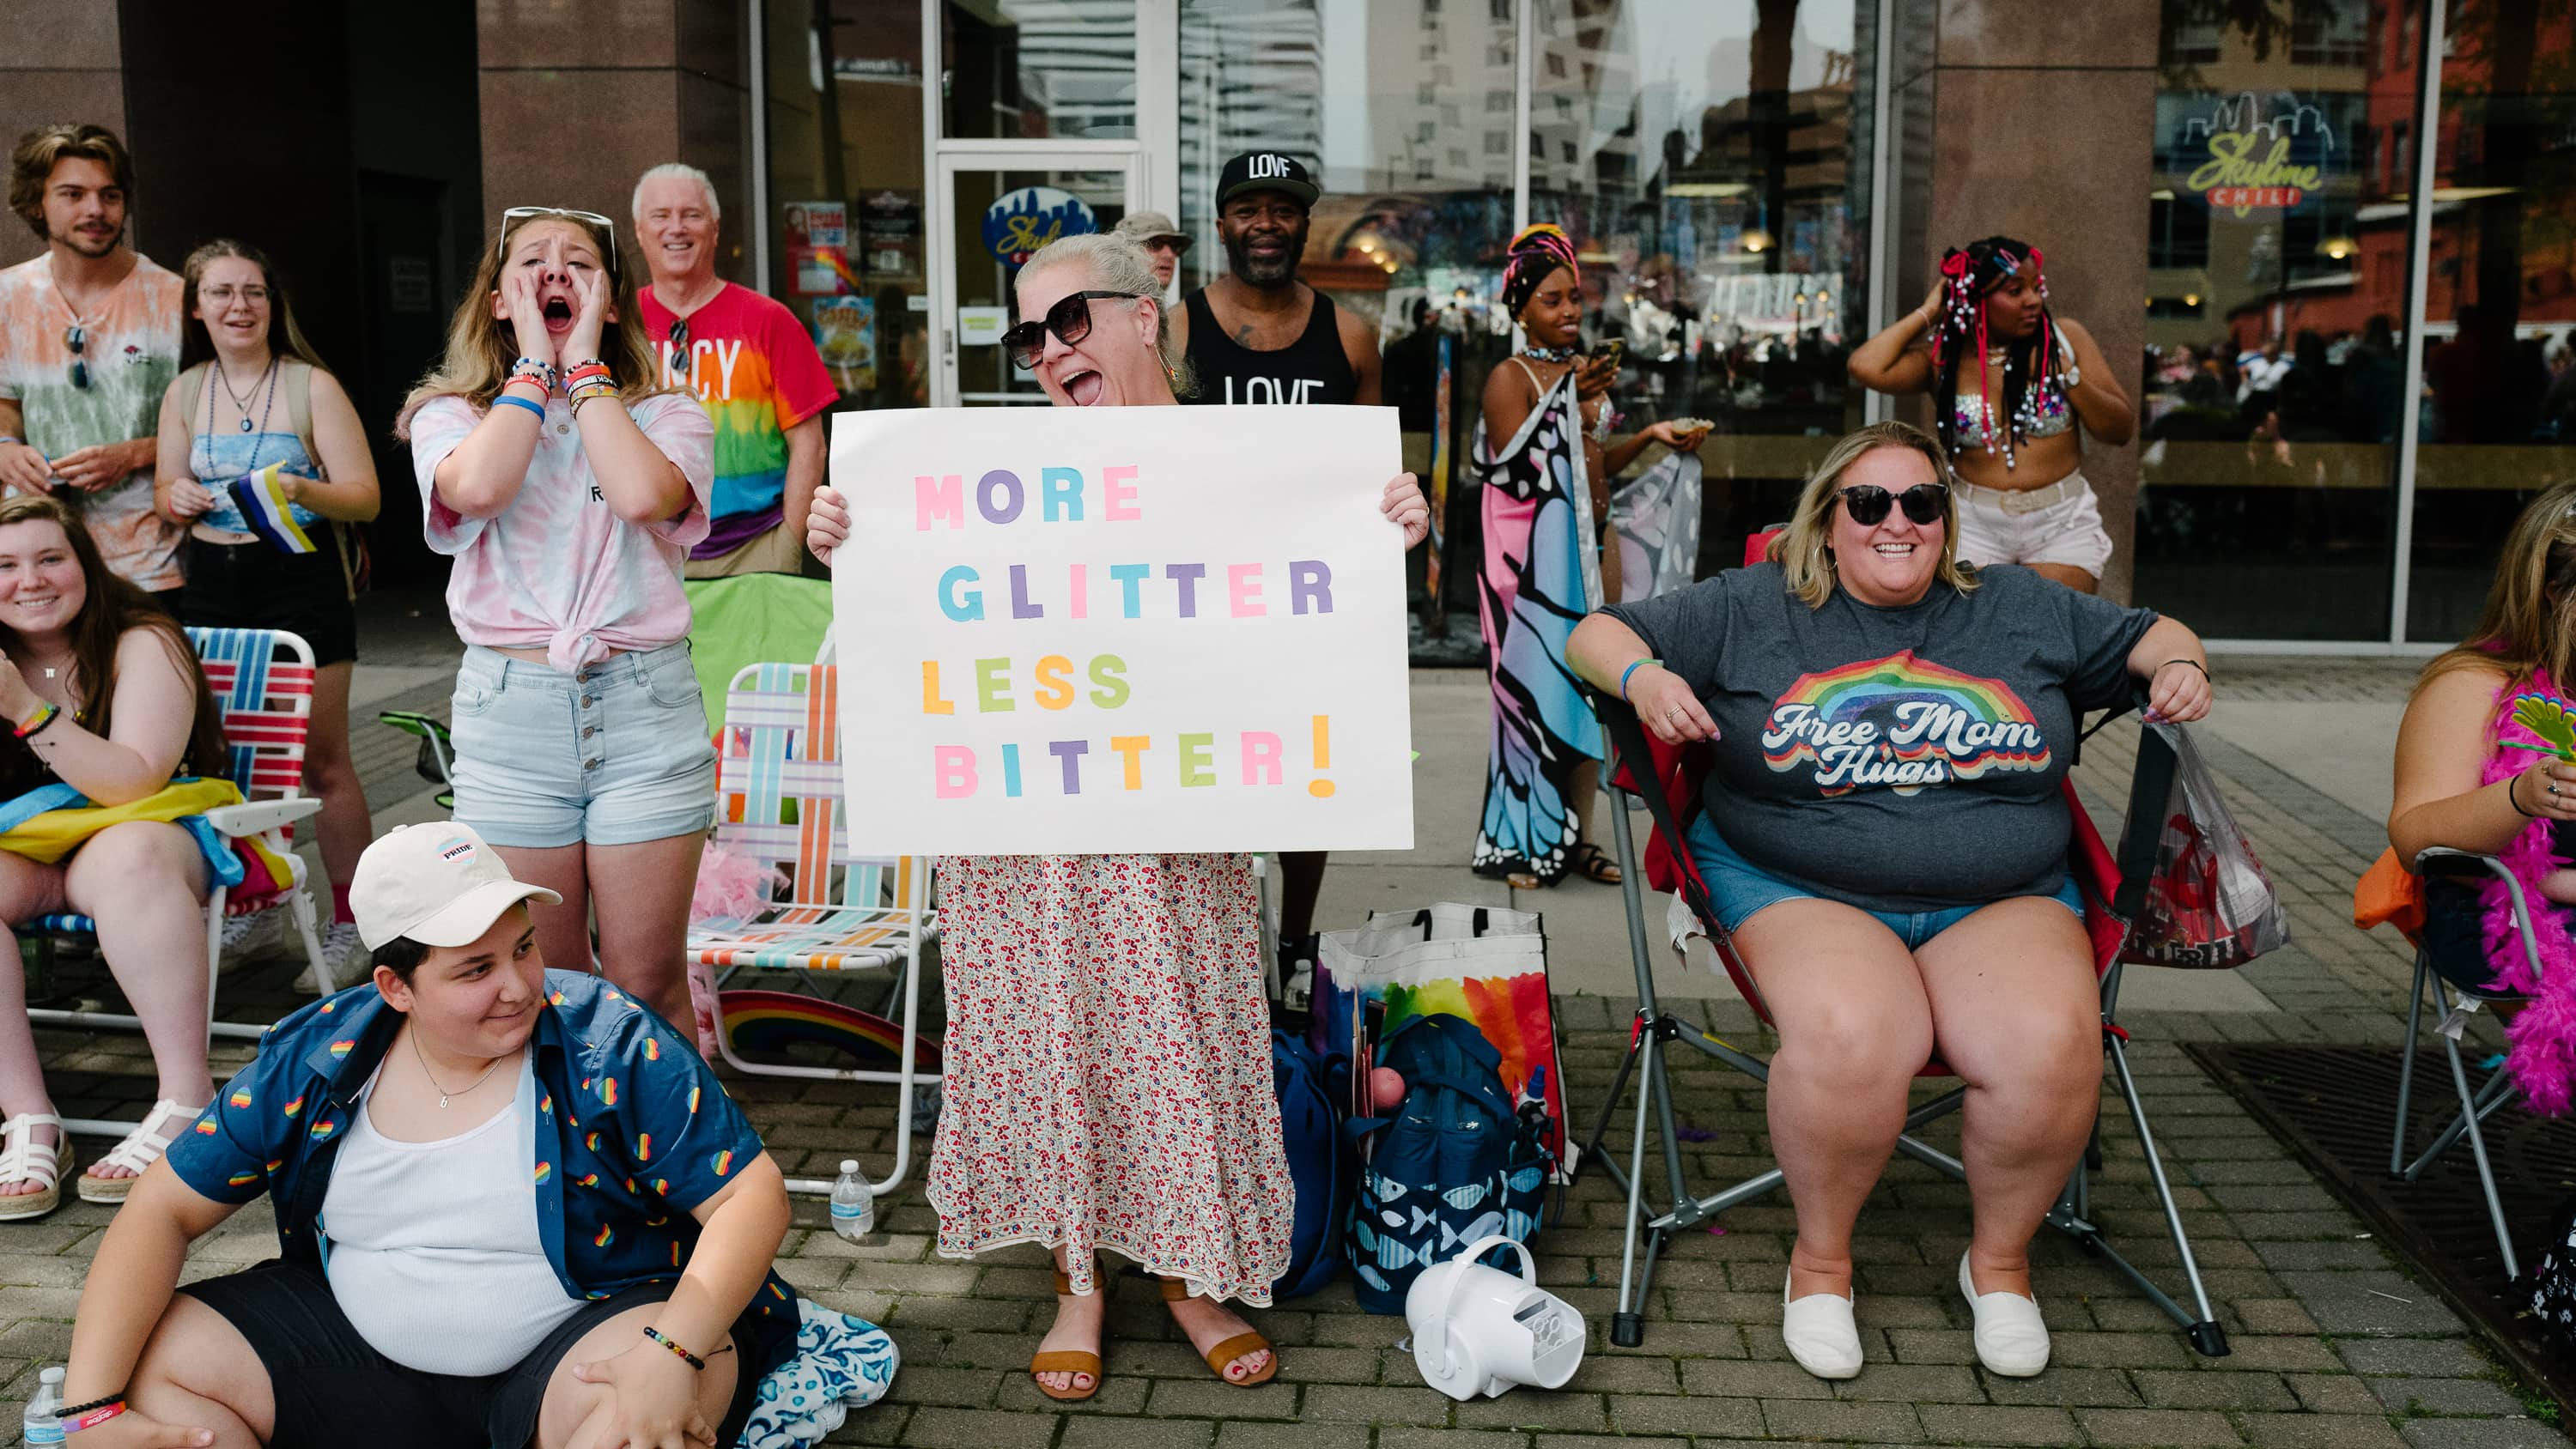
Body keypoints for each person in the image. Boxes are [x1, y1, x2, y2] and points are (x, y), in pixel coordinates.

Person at [806, 233, 1429, 1403]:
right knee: (1048, 1037)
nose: (1048, 352)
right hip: (1018, 830)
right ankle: (1077, 1277)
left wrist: (1381, 526)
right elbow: (923, 618)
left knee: (1185, 1036)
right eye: (1029, 335)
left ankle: (1193, 1271)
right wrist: (854, 542)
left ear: (1147, 317)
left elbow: (1303, 620)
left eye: (1070, 322)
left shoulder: (1249, 466)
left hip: (1173, 822)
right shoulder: (978, 482)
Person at [1565, 420, 2212, 1381]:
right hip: (1800, 881)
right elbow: (1593, 631)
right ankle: (1822, 1264)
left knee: (2049, 1042)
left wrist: (2182, 666)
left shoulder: (2019, 605)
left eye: (1922, 502)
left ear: (1948, 523)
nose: (1896, 521)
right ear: (1828, 522)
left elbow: (2159, 632)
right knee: (1856, 1034)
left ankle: (1997, 1263)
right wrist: (1646, 675)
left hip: (2003, 893)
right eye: (1869, 503)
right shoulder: (1756, 604)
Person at [52, 820, 796, 1448]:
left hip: (585, 1337)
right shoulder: (318, 1054)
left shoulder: (610, 1039)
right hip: (359, 1365)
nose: (519, 985)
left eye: (525, 948)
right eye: (476, 969)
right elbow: (161, 1207)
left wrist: (672, 1349)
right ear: (395, 988)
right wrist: (90, 1413)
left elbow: (750, 1199)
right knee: (149, 1368)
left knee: (656, 1414)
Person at [397, 204, 715, 1033]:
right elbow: (476, 490)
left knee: (648, 984)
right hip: (514, 720)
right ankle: (569, 1165)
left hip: (645, 713)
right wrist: (534, 369)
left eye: (579, 262)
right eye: (531, 261)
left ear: (612, 301)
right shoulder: (448, 415)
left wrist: (584, 369)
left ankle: (678, 1164)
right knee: (545, 986)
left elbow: (645, 496)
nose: (554, 273)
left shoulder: (668, 414)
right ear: (499, 299)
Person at [1173, 151, 1387, 958]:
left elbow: (1373, 479)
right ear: (1222, 222)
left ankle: (1295, 946)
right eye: (1248, 208)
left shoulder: (1354, 337)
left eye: (1284, 208)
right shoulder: (1179, 328)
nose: (1266, 223)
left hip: (1308, 602)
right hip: (1200, 598)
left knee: (1307, 783)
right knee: (1208, 777)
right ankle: (1217, 951)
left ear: (1305, 223)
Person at [153, 239, 380, 987]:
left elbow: (366, 496)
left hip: (301, 577)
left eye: (253, 292)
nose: (238, 307)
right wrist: (178, 499)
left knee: (322, 761)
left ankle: (354, 925)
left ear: (272, 304)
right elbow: (166, 490)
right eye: (220, 293)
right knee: (236, 758)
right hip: (214, 579)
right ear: (197, 307)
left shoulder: (311, 385)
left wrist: (298, 489)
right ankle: (258, 904)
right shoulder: (186, 390)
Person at [0, 494, 231, 1216]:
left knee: (129, 851)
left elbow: (135, 778)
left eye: (49, 559)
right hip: (33, 856)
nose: (29, 580)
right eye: (3, 566)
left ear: (84, 566)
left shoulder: (141, 639)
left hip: (149, 842)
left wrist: (25, 710)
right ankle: (30, 1117)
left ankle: (187, 1096)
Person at [1473, 224, 1704, 889]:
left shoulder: (1581, 376)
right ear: (1520, 309)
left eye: (1575, 298)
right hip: (1527, 569)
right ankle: (1523, 842)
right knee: (1530, 698)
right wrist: (1570, 401)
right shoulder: (1508, 377)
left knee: (1586, 695)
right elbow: (1520, 471)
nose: (1570, 311)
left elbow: (1592, 460)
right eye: (1552, 300)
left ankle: (1579, 840)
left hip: (1588, 549)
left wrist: (1651, 438)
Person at [2390, 482, 2576, 1105]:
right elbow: (2415, 835)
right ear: (2556, 594)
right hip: (2513, 922)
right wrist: (2520, 796)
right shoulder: (2474, 686)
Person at [1846, 237, 2135, 592]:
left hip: (2060, 520)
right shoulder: (1944, 360)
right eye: (2015, 291)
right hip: (1973, 522)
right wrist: (1931, 310)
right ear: (1975, 298)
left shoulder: (2065, 339)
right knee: (1974, 638)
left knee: (2055, 631)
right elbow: (1864, 366)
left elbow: (2119, 429)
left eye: (2035, 287)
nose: (2033, 299)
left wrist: (2062, 374)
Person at [0, 124, 186, 603]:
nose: (95, 210)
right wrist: (5, 446)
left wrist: (134, 454)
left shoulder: (174, 297)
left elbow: (213, 421)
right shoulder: (7, 296)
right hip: (36, 562)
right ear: (35, 203)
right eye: (73, 194)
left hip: (150, 558)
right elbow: (6, 403)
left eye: (109, 195)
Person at [631, 163, 837, 578]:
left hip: (754, 551)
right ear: (639, 231)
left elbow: (810, 446)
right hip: (642, 554)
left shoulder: (769, 321)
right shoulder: (617, 327)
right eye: (661, 216)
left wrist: (787, 546)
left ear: (715, 228)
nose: (677, 228)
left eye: (691, 214)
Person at [1111, 209, 1190, 293]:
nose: (1169, 255)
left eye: (1174, 245)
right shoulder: (1108, 303)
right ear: (1126, 253)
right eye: (1155, 243)